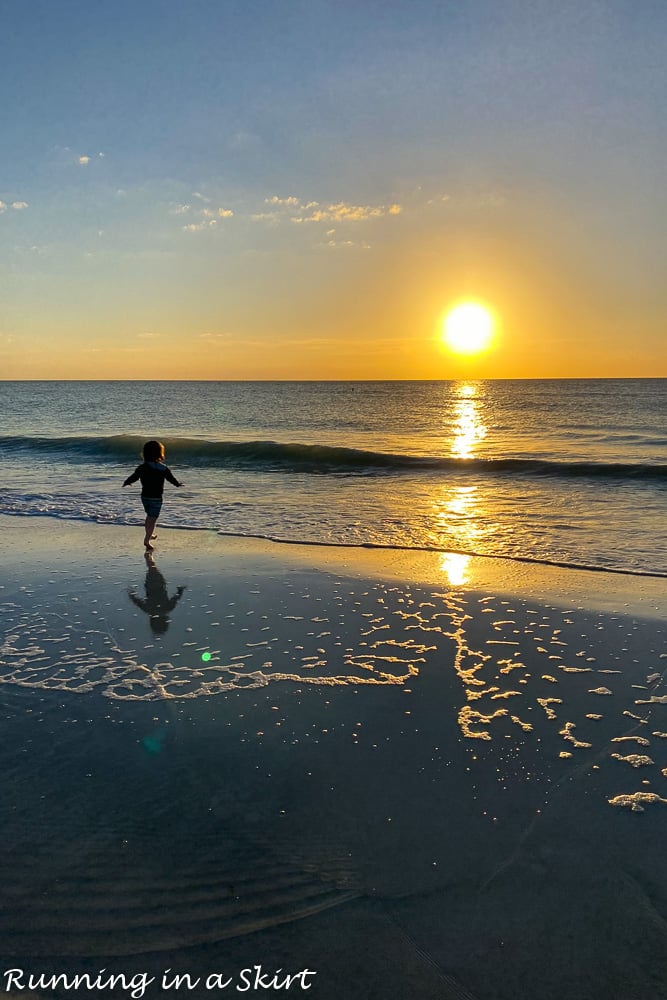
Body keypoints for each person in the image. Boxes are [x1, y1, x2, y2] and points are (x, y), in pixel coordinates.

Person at [122, 440, 183, 550]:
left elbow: (134, 477)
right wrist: (177, 484)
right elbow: (171, 479)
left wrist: (127, 482)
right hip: (156, 498)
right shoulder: (163, 468)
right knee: (153, 518)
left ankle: (150, 534)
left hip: (145, 496)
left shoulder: (142, 468)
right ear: (160, 454)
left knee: (149, 516)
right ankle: (147, 540)